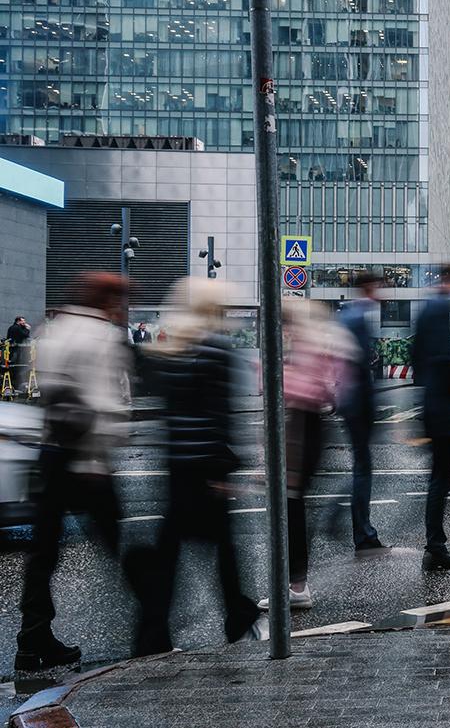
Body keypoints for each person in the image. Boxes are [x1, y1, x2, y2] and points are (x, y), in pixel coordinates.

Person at [132, 278, 265, 656]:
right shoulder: (217, 350)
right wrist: (225, 468)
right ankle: (233, 614)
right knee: (222, 547)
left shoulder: (172, 348)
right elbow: (219, 415)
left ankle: (154, 631)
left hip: (178, 465)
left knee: (174, 551)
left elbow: (167, 411)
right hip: (207, 464)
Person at [16, 275, 132, 670]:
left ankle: (32, 641)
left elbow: (41, 391)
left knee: (42, 552)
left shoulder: (53, 330)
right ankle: (153, 630)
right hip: (88, 462)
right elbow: (106, 404)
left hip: (51, 454)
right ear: (110, 301)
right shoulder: (104, 337)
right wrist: (110, 444)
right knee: (121, 546)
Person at [259, 300, 357, 610]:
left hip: (302, 426)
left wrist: (273, 376)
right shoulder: (313, 341)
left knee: (290, 504)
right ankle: (294, 583)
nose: (283, 328)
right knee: (290, 503)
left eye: (284, 322)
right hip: (304, 425)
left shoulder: (309, 343)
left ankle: (297, 585)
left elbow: (313, 389)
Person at [413, 266, 450, 571]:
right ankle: (435, 546)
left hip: (435, 405)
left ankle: (435, 545)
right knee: (441, 479)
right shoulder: (438, 308)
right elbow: (439, 361)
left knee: (441, 478)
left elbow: (418, 359)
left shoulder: (428, 308)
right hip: (443, 410)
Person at [338, 271, 385, 553]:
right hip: (357, 403)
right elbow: (358, 364)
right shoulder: (357, 319)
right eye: (379, 286)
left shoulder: (348, 315)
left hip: (349, 400)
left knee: (362, 466)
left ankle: (363, 531)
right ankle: (363, 533)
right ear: (369, 287)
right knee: (362, 469)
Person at [6, 316, 31, 391]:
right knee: (17, 367)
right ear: (18, 321)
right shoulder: (17, 328)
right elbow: (24, 335)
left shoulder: (12, 327)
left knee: (12, 367)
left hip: (12, 351)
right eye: (23, 321)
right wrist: (27, 329)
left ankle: (12, 384)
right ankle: (15, 384)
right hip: (16, 351)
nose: (24, 322)